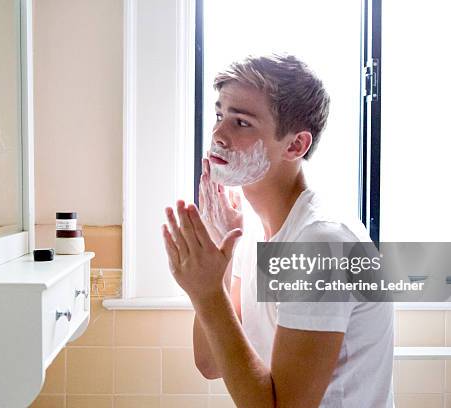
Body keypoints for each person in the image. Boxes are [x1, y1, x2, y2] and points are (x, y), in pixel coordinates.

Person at [161, 54, 393, 408]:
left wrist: (206, 292)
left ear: (296, 145)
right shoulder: (252, 233)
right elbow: (210, 363)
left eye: (241, 123)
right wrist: (217, 269)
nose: (218, 135)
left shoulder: (321, 244)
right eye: (220, 115)